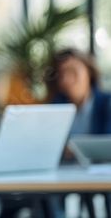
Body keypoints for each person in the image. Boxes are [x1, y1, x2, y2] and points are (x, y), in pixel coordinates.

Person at [43, 48, 111, 218]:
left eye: (73, 71)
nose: (67, 79)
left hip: (100, 172)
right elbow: (46, 143)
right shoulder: (55, 105)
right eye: (61, 74)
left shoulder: (106, 102)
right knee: (44, 195)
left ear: (89, 72)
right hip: (65, 171)